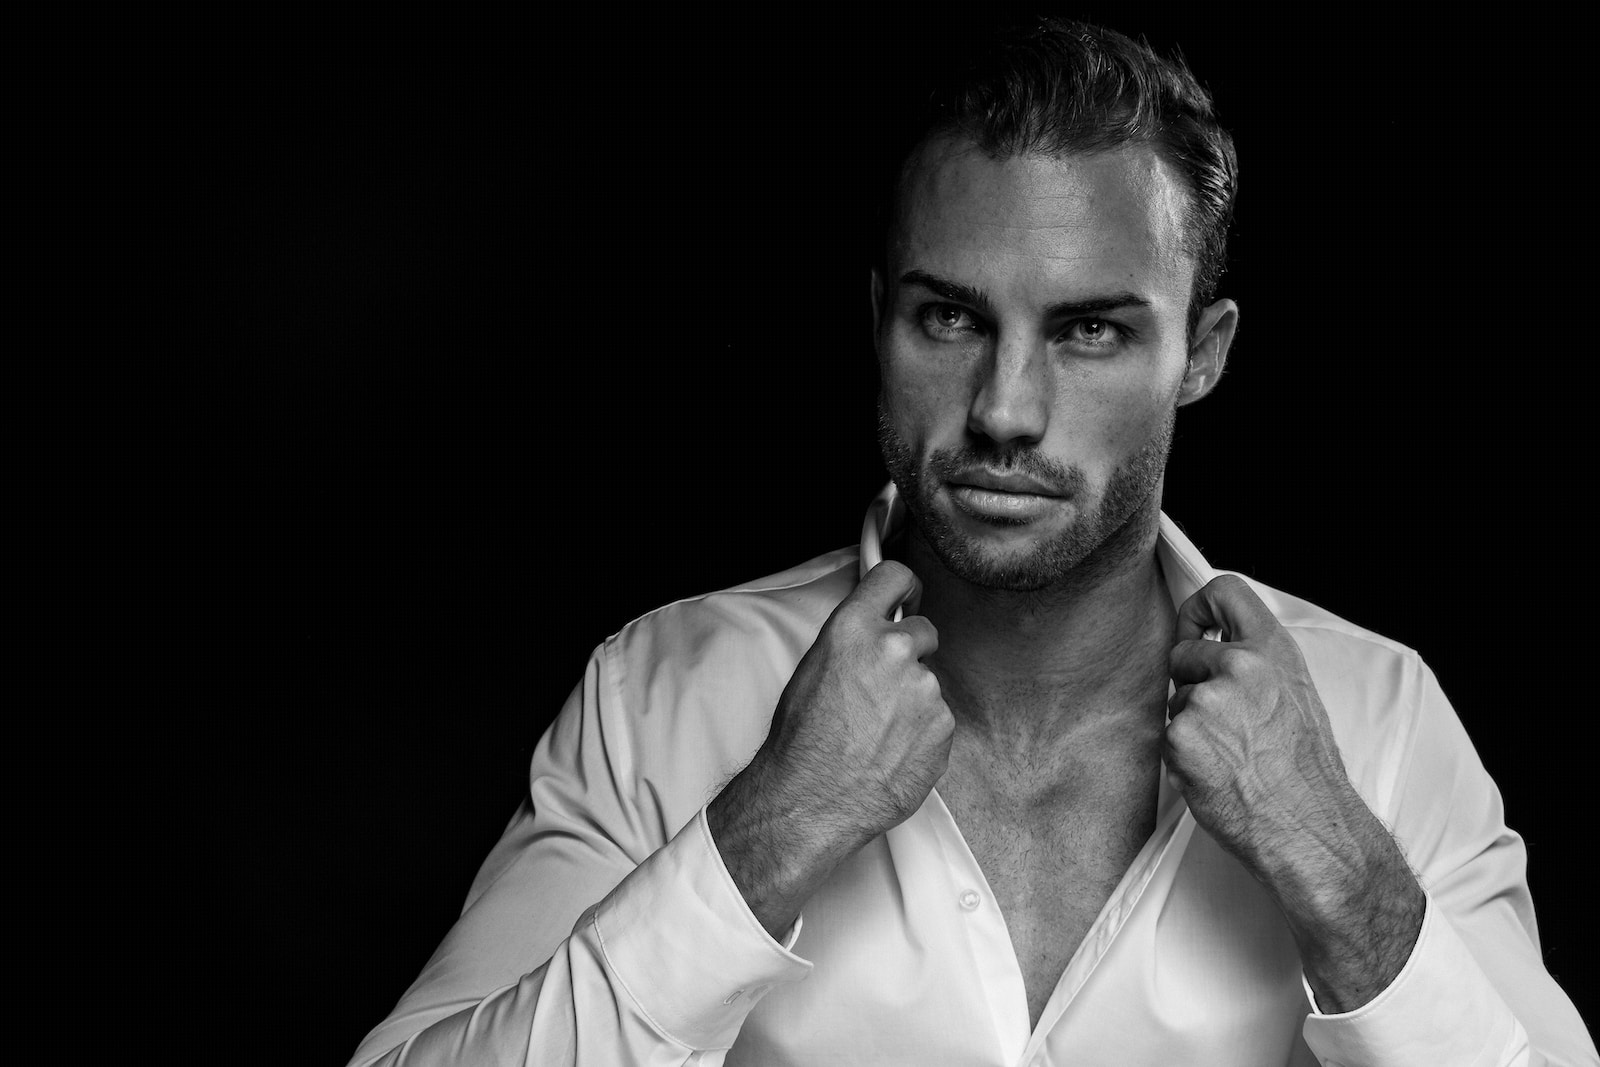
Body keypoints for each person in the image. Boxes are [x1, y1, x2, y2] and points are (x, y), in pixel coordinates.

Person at [346, 19, 1595, 1067]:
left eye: (1090, 331)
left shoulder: (1375, 719)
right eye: (949, 318)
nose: (1004, 408)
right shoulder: (665, 695)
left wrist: (1335, 865)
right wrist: (769, 830)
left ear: (1201, 353)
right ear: (877, 318)